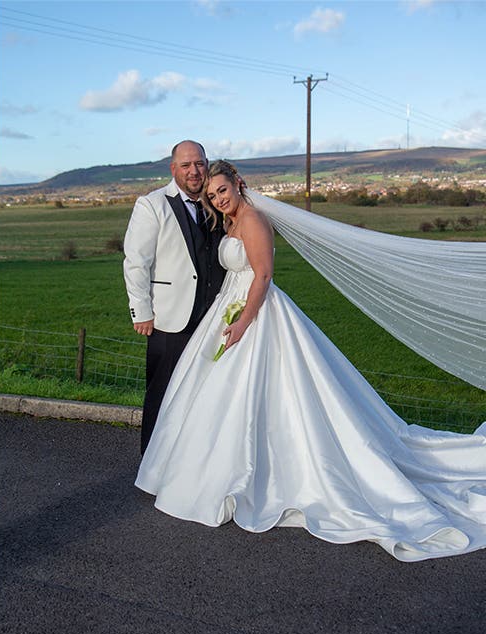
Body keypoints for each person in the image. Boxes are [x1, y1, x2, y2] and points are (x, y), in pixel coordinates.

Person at [135, 159, 486, 562]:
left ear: (239, 184)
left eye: (223, 191)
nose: (218, 199)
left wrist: (244, 322)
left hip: (255, 312)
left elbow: (263, 276)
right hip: (229, 309)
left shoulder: (252, 220)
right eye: (212, 195)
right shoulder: (230, 222)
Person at [123, 140, 226, 453]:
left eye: (199, 164)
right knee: (162, 393)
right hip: (170, 317)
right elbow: (136, 261)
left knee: (205, 394)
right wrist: (140, 311)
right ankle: (152, 464)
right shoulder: (152, 204)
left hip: (213, 317)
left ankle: (192, 461)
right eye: (186, 165)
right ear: (174, 169)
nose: (194, 171)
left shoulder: (217, 203)